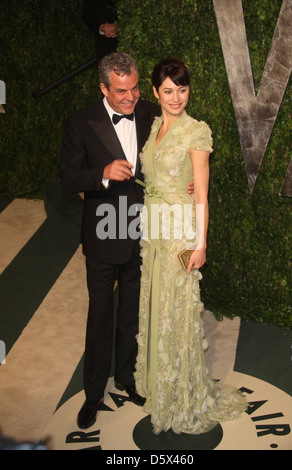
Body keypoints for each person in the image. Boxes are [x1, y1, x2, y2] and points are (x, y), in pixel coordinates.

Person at [134, 57, 248, 435]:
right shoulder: (154, 127)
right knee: (158, 308)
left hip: (180, 233)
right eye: (168, 90)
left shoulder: (196, 132)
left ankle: (182, 395)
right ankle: (162, 387)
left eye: (182, 89)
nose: (176, 97)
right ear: (156, 92)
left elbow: (201, 194)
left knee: (179, 313)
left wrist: (200, 244)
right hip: (154, 232)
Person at [60, 51, 160, 429]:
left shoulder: (152, 112)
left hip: (142, 231)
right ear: (103, 87)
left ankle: (128, 379)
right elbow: (69, 178)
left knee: (132, 314)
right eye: (121, 91)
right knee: (100, 317)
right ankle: (92, 394)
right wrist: (101, 172)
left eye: (134, 88)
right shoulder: (79, 122)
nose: (130, 97)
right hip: (104, 232)